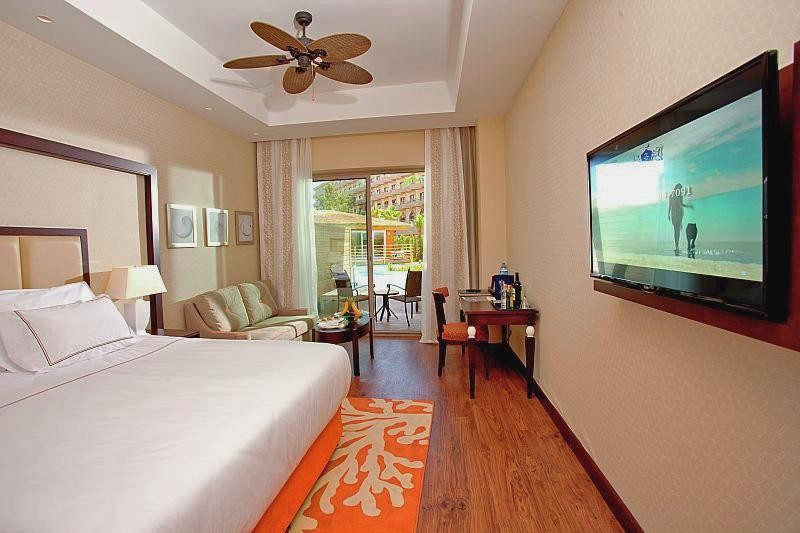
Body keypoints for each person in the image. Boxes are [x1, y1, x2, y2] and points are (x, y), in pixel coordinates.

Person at [667, 183, 693, 253]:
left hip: (675, 213)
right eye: (680, 188)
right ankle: (677, 246)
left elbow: (670, 205)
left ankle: (677, 245)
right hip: (677, 213)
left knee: (676, 230)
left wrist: (668, 214)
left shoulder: (672, 195)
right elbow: (680, 204)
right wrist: (689, 206)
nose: (681, 190)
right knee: (677, 230)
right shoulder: (678, 195)